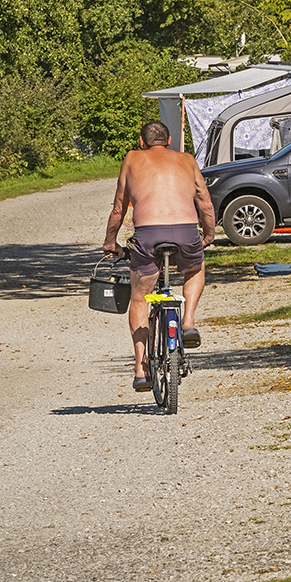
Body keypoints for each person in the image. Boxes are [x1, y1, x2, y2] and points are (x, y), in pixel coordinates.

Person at [103, 122, 216, 391]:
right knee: (195, 269)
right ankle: (188, 323)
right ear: (169, 140)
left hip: (148, 234)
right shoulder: (187, 160)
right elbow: (205, 202)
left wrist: (110, 242)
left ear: (142, 142)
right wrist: (208, 234)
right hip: (186, 232)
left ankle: (141, 369)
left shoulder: (132, 158)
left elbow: (119, 208)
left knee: (140, 296)